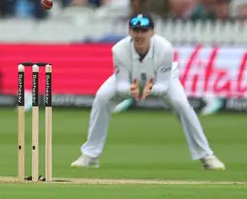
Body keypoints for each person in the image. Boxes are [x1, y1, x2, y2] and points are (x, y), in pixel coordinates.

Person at [71, 13, 226, 170]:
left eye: (143, 31)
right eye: (135, 30)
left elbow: (164, 86)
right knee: (102, 97)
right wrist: (130, 90)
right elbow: (121, 84)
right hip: (131, 80)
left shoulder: (165, 48)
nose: (139, 35)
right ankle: (90, 155)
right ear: (130, 32)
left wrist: (151, 89)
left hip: (161, 80)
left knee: (182, 105)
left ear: (152, 32)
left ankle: (207, 156)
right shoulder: (118, 50)